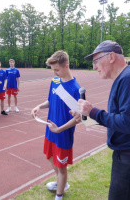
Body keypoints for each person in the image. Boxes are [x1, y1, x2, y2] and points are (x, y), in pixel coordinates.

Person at [76, 40, 130, 200]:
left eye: (95, 61)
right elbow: (124, 118)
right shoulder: (129, 76)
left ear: (111, 57)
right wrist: (89, 116)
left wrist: (93, 112)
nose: (94, 67)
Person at [31, 51, 80, 200]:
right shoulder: (55, 81)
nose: (54, 73)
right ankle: (61, 183)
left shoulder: (75, 89)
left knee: (62, 167)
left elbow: (79, 118)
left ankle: (59, 195)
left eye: (57, 70)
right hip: (50, 129)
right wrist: (39, 106)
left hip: (63, 134)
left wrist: (59, 129)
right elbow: (50, 101)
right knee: (50, 157)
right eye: (53, 70)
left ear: (67, 66)